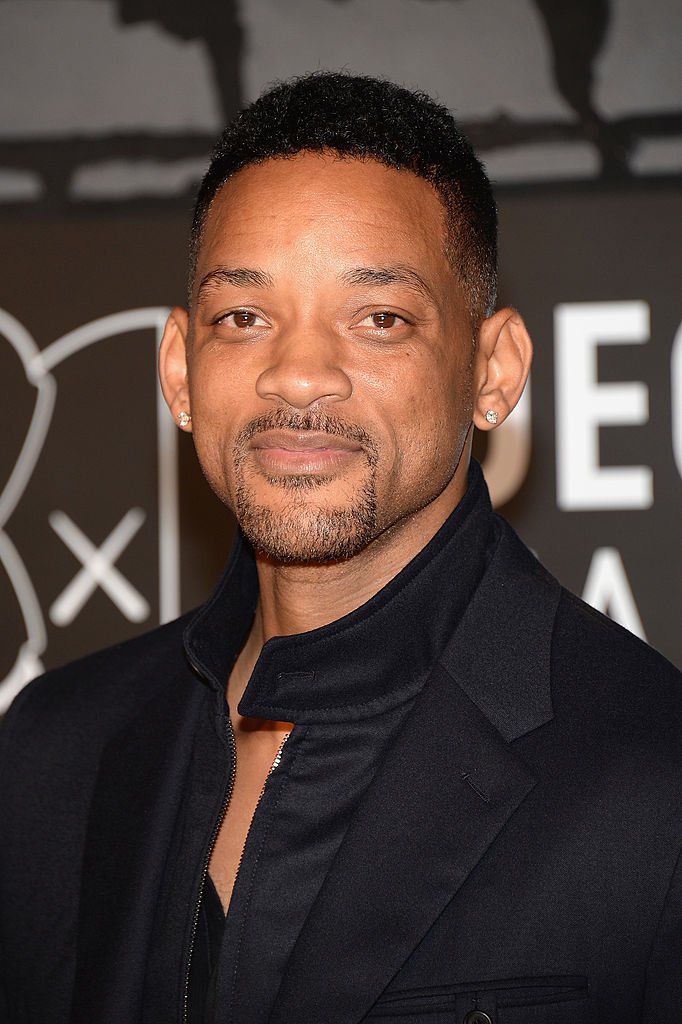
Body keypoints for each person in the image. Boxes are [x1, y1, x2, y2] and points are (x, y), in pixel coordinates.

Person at [0, 72, 680, 1024]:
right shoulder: (52, 753)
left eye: (379, 320)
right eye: (244, 317)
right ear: (180, 372)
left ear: (494, 372)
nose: (299, 374)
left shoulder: (655, 777)